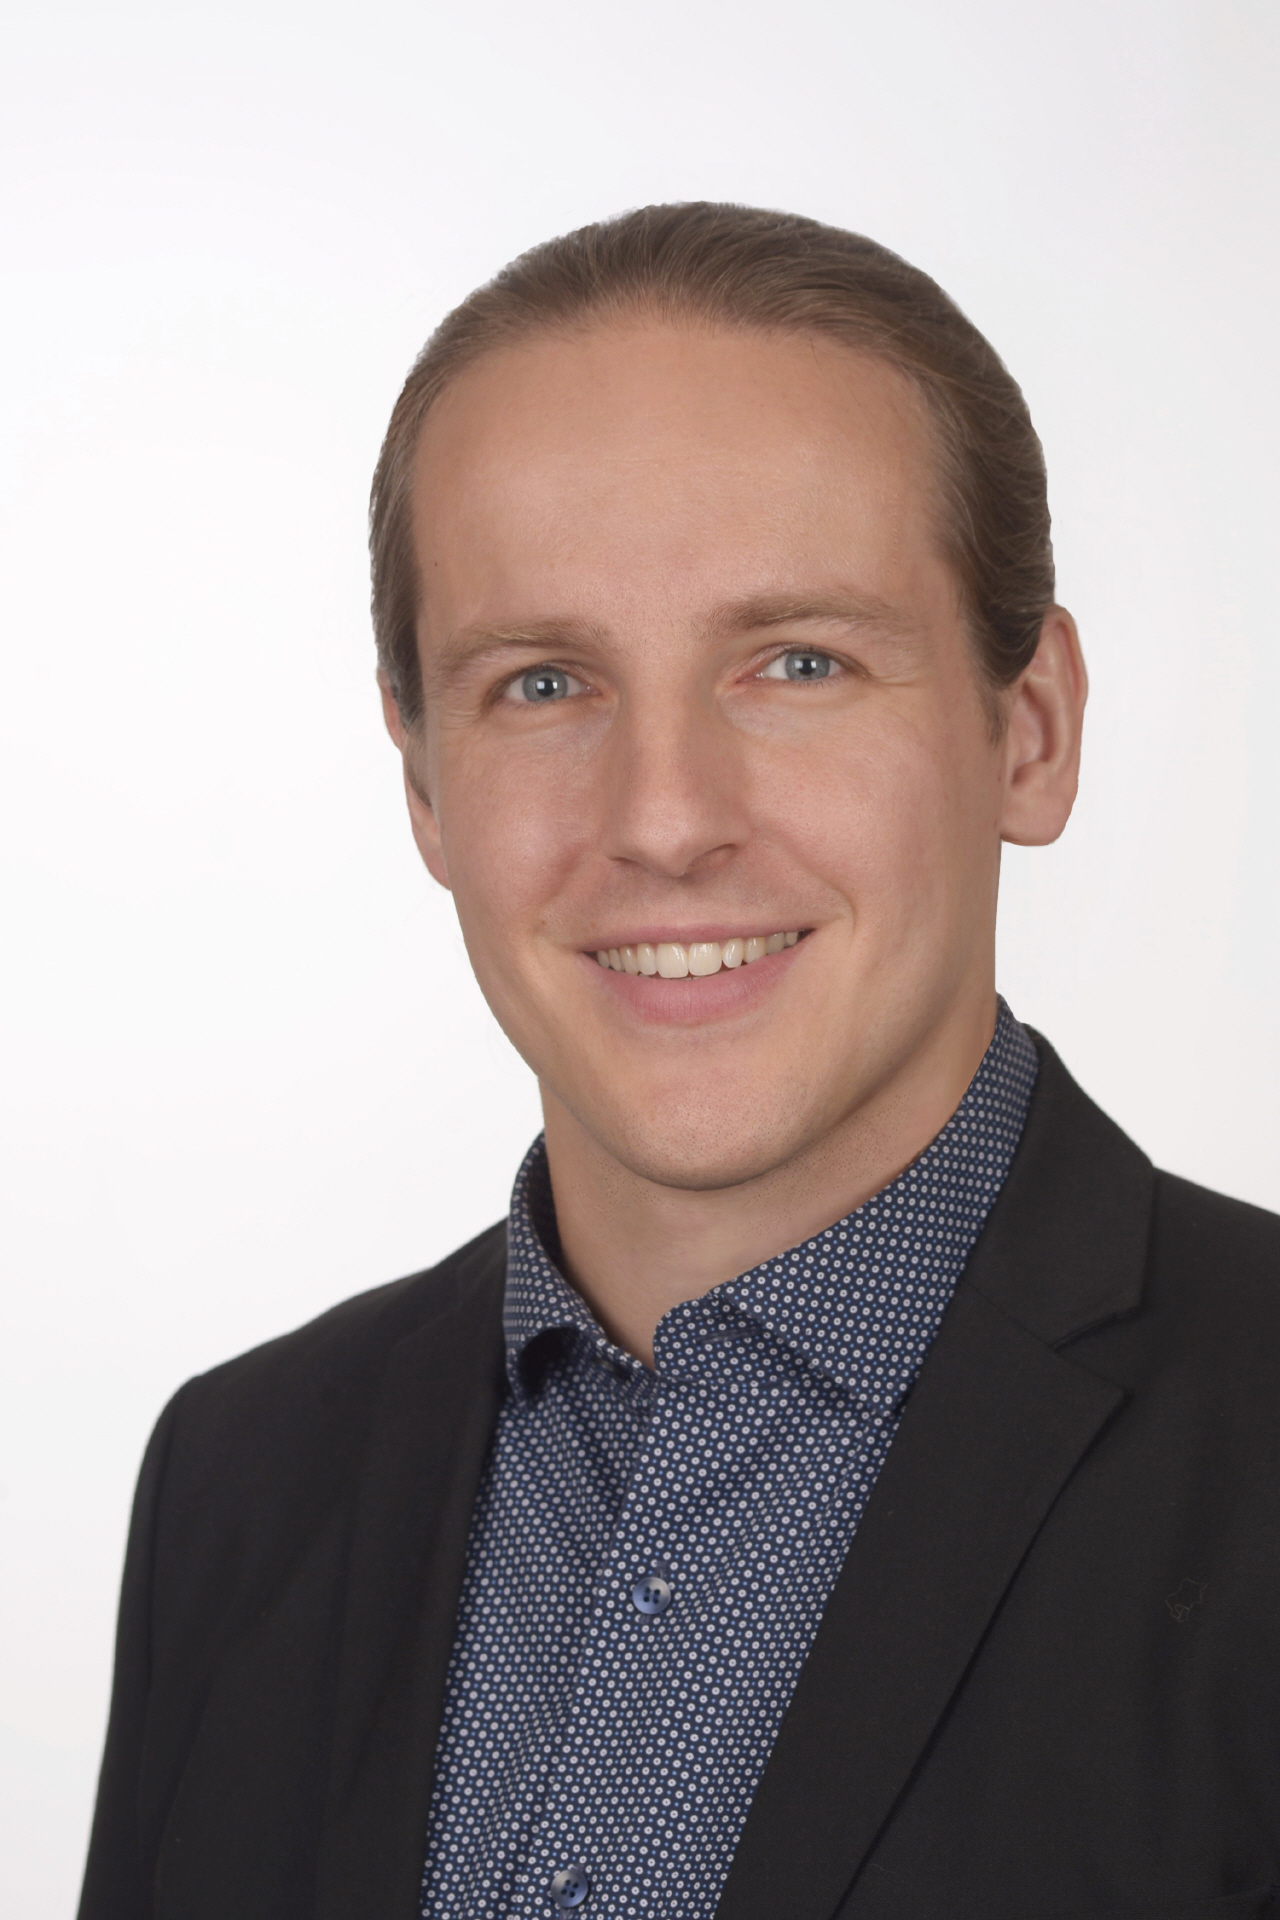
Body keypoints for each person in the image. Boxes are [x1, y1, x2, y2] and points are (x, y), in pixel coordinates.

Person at [78, 204, 1280, 1920]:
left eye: (798, 663)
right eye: (543, 683)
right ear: (424, 787)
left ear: (1030, 730)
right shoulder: (241, 1485)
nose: (663, 819)